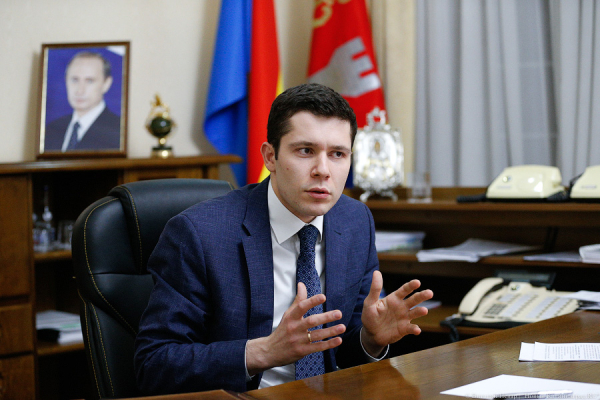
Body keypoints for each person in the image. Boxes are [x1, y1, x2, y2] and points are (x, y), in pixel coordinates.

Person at [134, 83, 433, 395]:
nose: (323, 170)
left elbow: (342, 351)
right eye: (306, 151)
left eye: (337, 154)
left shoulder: (355, 220)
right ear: (270, 157)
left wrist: (370, 340)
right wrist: (263, 352)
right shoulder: (199, 233)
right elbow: (153, 365)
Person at [44, 51, 121, 152]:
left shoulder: (118, 131)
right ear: (66, 80)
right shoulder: (52, 129)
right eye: (74, 80)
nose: (80, 91)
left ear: (106, 84)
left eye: (89, 81)